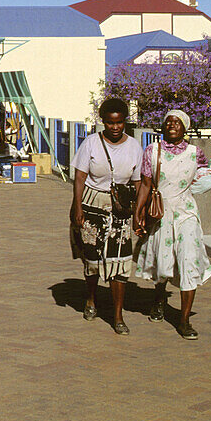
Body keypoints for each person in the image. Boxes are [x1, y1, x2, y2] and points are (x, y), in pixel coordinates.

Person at [134, 109, 211, 340]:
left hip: (187, 214)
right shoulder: (152, 151)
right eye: (168, 121)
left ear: (185, 127)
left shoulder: (195, 153)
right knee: (163, 260)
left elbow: (205, 177)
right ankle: (159, 298)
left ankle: (184, 320)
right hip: (161, 214)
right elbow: (145, 184)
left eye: (177, 122)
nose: (172, 125)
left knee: (189, 261)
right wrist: (137, 213)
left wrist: (201, 184)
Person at [69, 98, 143, 334]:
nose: (115, 127)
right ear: (103, 122)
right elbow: (80, 177)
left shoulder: (133, 146)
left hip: (120, 208)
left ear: (124, 122)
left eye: (119, 123)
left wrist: (139, 212)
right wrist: (78, 207)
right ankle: (91, 299)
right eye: (110, 123)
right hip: (92, 204)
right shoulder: (90, 143)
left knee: (120, 263)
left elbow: (139, 181)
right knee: (92, 259)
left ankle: (118, 316)